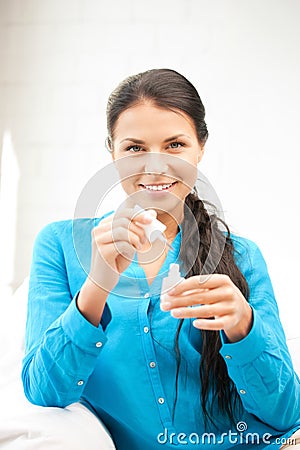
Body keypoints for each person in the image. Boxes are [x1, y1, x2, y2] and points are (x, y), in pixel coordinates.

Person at [22, 68, 300, 449]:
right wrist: (96, 286)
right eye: (135, 148)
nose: (155, 166)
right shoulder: (60, 245)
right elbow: (44, 390)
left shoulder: (242, 255)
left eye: (175, 145)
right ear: (112, 152)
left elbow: (286, 413)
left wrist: (242, 325)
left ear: (200, 147)